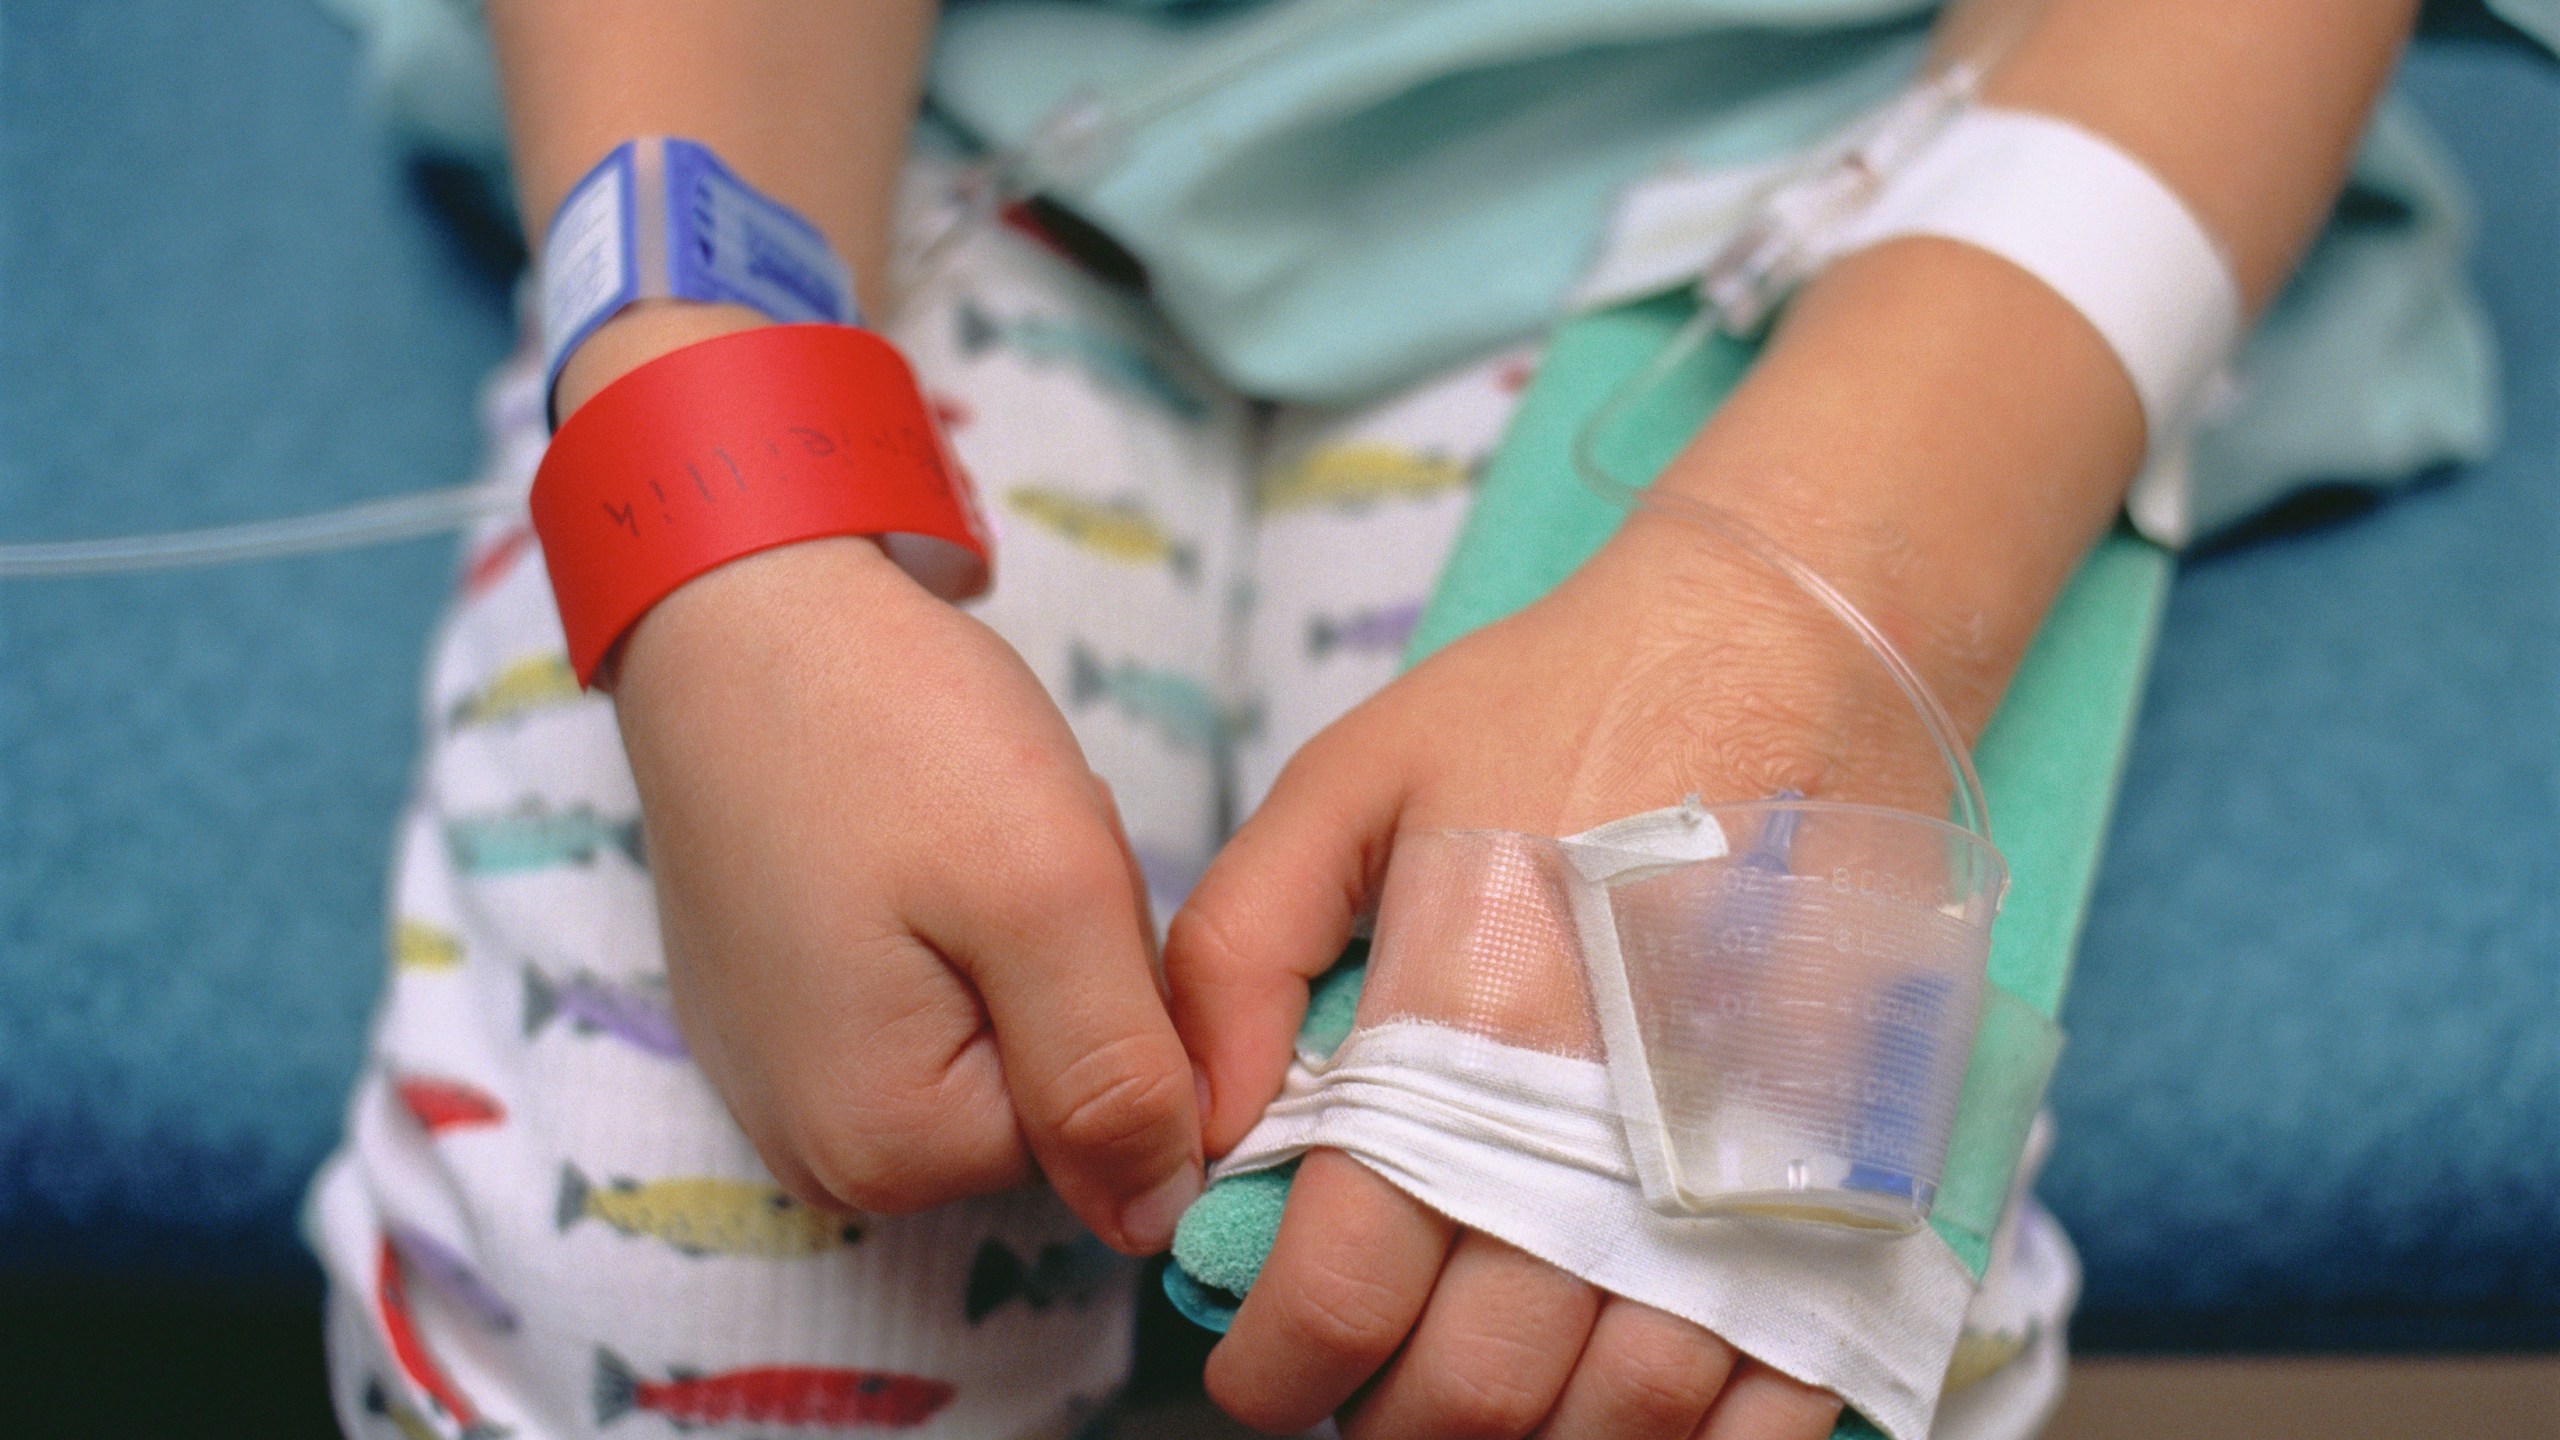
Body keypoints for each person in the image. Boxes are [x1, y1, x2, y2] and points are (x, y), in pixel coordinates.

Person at [308, 1, 2423, 1436]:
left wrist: (1796, 602)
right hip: (891, 111)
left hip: (1885, 162)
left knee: (1724, 1333)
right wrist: (716, 491)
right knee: (672, 1320)